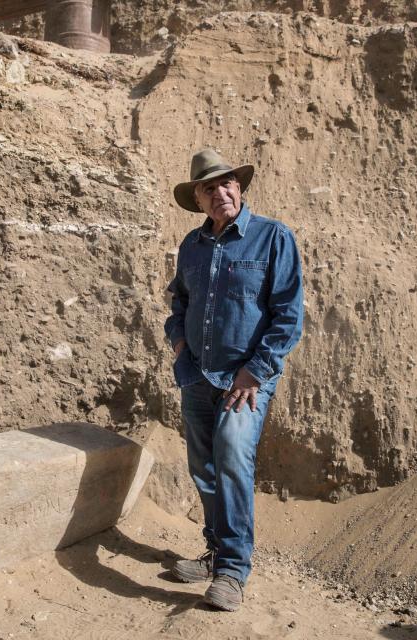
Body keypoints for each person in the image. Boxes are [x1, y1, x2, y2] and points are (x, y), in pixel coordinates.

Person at [164, 149, 304, 611]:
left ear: (239, 188)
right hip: (197, 375)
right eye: (209, 188)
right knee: (203, 468)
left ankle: (232, 571)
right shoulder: (192, 245)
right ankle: (215, 551)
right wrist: (180, 348)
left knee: (231, 457)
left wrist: (255, 371)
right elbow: (179, 305)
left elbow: (288, 316)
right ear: (199, 200)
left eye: (227, 183)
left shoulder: (272, 238)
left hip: (246, 380)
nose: (220, 192)